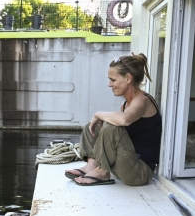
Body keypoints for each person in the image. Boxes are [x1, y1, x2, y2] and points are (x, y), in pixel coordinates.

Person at [64, 53, 162, 186]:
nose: (110, 84)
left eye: (113, 80)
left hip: (139, 172)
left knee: (112, 127)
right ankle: (92, 165)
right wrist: (99, 118)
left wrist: (98, 113)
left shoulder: (142, 101)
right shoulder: (126, 104)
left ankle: (103, 172)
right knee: (91, 126)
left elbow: (124, 120)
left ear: (128, 78)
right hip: (127, 163)